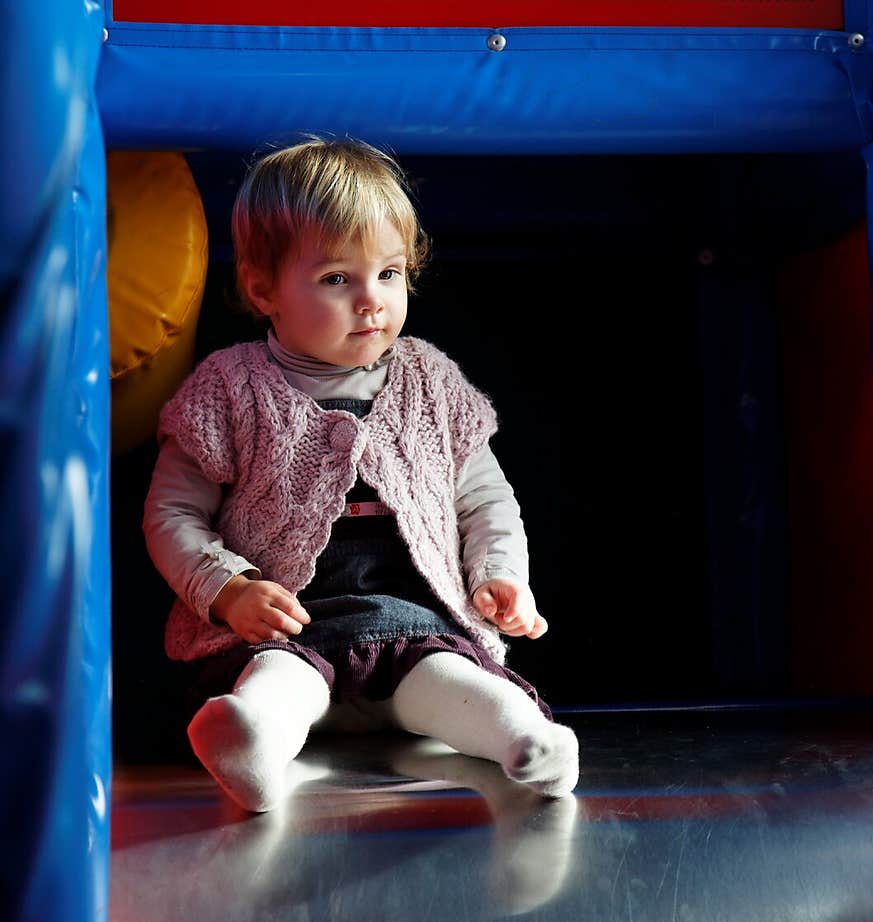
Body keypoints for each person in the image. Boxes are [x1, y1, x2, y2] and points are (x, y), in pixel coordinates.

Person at [144, 137, 579, 812]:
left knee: (451, 677)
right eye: (336, 279)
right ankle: (252, 744)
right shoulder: (227, 390)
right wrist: (229, 590)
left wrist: (500, 574)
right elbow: (172, 514)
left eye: (390, 274)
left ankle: (527, 740)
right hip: (287, 624)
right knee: (279, 682)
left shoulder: (430, 382)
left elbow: (484, 499)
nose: (371, 302)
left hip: (413, 623)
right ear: (264, 288)